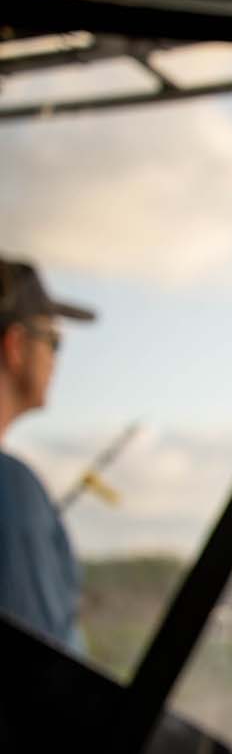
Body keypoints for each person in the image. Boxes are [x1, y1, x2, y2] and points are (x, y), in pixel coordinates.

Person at [0, 257, 93, 650]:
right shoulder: (12, 489)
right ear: (17, 346)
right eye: (52, 340)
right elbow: (45, 684)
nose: (56, 358)